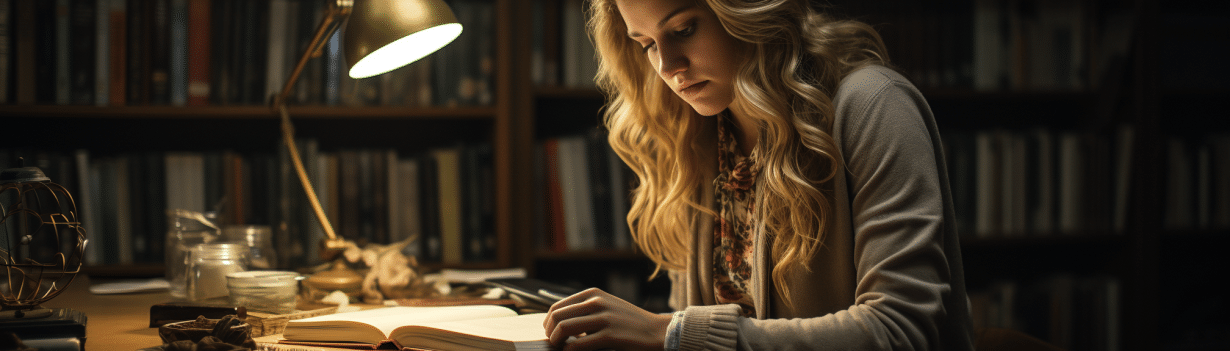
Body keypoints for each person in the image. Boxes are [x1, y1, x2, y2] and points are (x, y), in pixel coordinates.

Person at [543, 0, 975, 350]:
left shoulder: (873, 106)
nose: (668, 66)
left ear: (747, 11)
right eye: (647, 44)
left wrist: (669, 334)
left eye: (683, 29)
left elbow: (903, 329)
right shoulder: (695, 136)